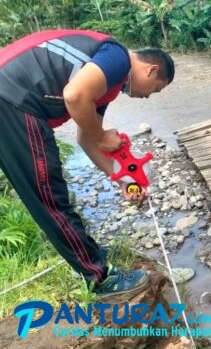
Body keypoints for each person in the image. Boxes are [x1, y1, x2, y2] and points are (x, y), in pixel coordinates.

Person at [0, 29, 174, 298]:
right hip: (14, 100)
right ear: (151, 70)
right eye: (156, 90)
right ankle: (99, 276)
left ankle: (85, 258)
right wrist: (102, 136)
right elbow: (74, 96)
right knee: (49, 196)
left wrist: (125, 182)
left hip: (10, 98)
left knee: (47, 195)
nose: (148, 97)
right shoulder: (117, 58)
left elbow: (86, 138)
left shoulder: (107, 83)